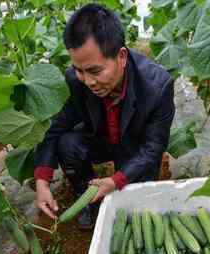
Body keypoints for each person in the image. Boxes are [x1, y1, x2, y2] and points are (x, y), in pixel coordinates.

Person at [33, 3, 175, 229]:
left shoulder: (158, 86)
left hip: (134, 146)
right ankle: (88, 196)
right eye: (79, 70)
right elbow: (55, 127)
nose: (88, 81)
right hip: (101, 138)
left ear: (121, 56)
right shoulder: (74, 80)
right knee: (67, 143)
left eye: (95, 71)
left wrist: (116, 180)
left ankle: (123, 190)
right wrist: (42, 181)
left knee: (135, 206)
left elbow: (153, 147)